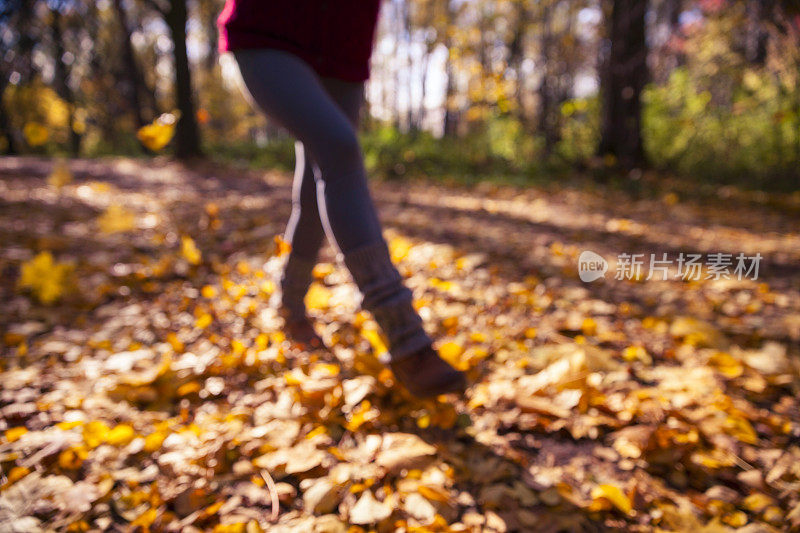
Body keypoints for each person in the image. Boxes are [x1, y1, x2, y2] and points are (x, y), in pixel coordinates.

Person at [217, 0, 466, 398]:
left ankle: (290, 307)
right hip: (269, 28)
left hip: (345, 45)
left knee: (316, 187)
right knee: (340, 150)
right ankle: (406, 339)